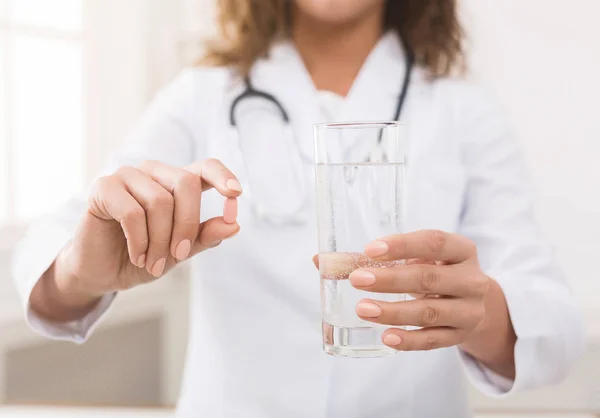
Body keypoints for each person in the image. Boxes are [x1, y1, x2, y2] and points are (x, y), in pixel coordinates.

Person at [12, 1, 585, 417]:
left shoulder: (464, 109)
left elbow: (554, 325)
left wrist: (482, 313)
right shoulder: (203, 95)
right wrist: (79, 271)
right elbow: (55, 254)